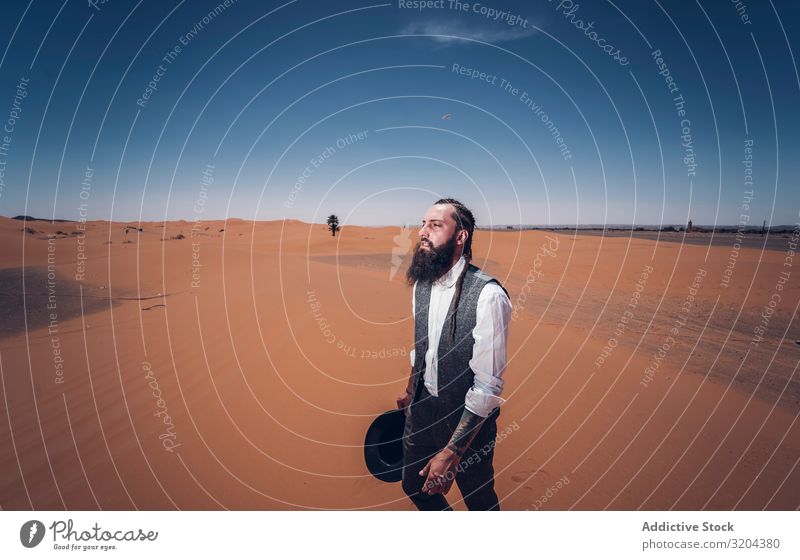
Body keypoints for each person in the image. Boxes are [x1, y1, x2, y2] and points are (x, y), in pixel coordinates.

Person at [397, 198, 512, 510]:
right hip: (422, 410)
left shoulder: (488, 295)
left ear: (461, 236)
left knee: (480, 502)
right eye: (423, 224)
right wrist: (411, 390)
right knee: (413, 484)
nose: (423, 232)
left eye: (435, 225)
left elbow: (488, 386)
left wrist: (452, 452)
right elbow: (422, 346)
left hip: (466, 421)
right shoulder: (421, 284)